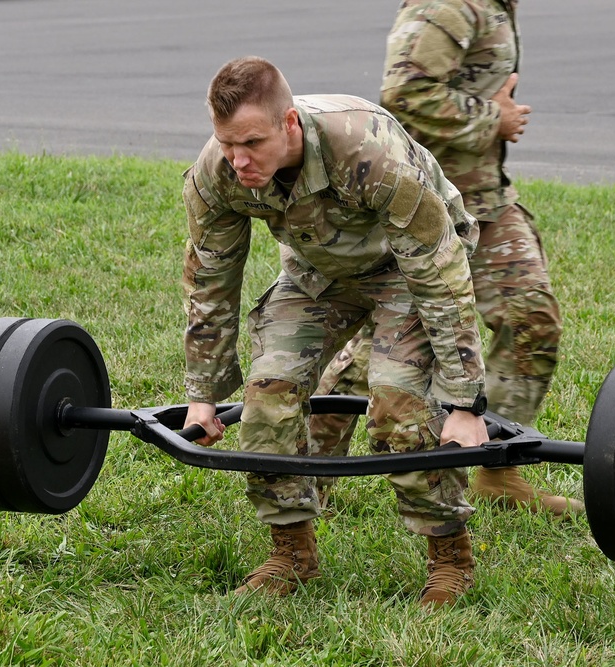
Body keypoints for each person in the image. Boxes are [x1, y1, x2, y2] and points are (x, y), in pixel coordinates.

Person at [181, 56, 491, 608]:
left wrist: (466, 402)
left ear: (290, 125)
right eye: (228, 143)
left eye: (252, 142)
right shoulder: (219, 172)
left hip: (407, 269)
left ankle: (450, 560)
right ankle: (291, 554)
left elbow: (437, 270)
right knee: (268, 397)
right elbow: (211, 280)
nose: (239, 159)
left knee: (397, 406)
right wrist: (202, 397)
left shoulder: (367, 149)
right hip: (318, 275)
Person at [309, 0, 585, 516]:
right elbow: (404, 95)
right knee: (381, 352)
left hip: (486, 201)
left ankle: (498, 471)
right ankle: (310, 477)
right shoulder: (450, 5)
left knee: (531, 320)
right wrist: (491, 119)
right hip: (425, 206)